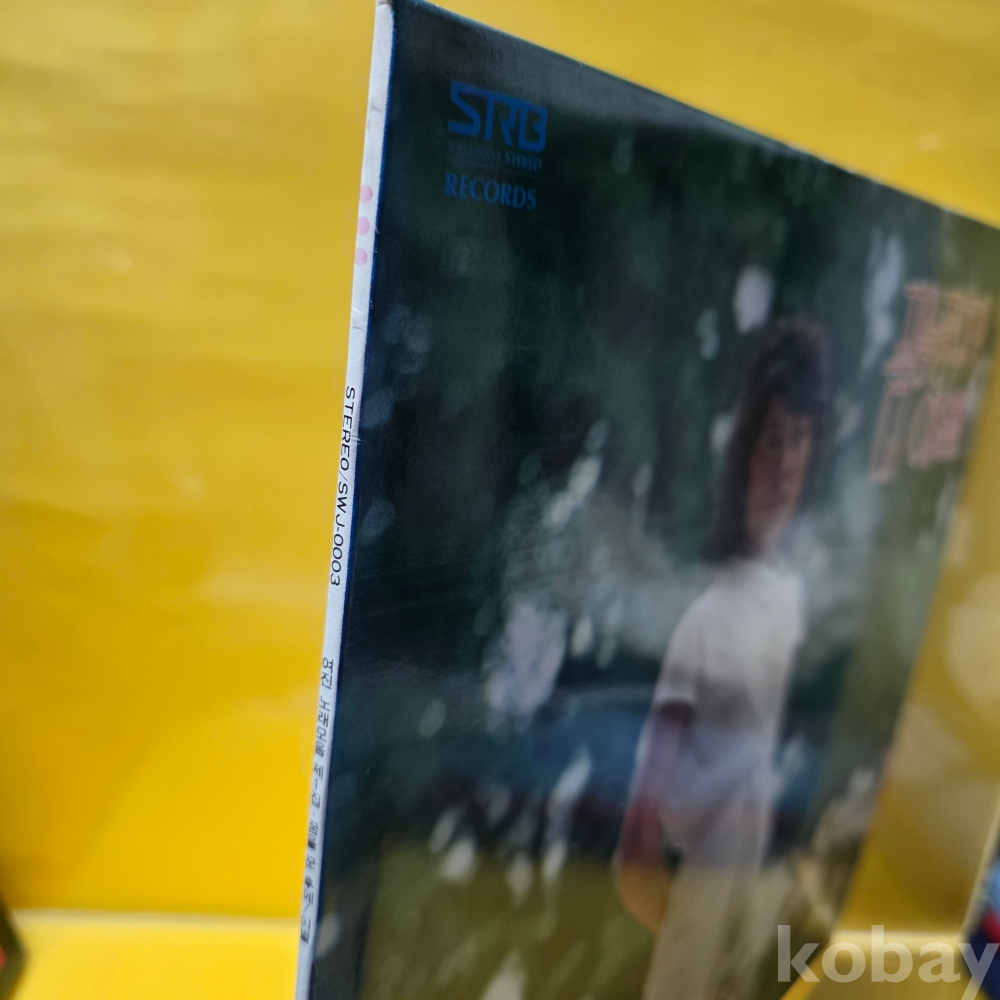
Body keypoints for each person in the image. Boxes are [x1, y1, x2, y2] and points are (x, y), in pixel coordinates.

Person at [615, 319, 829, 1000]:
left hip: (760, 915)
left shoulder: (798, 602)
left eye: (801, 438)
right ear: (744, 456)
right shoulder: (703, 625)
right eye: (772, 440)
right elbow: (635, 850)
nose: (786, 464)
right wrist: (690, 936)